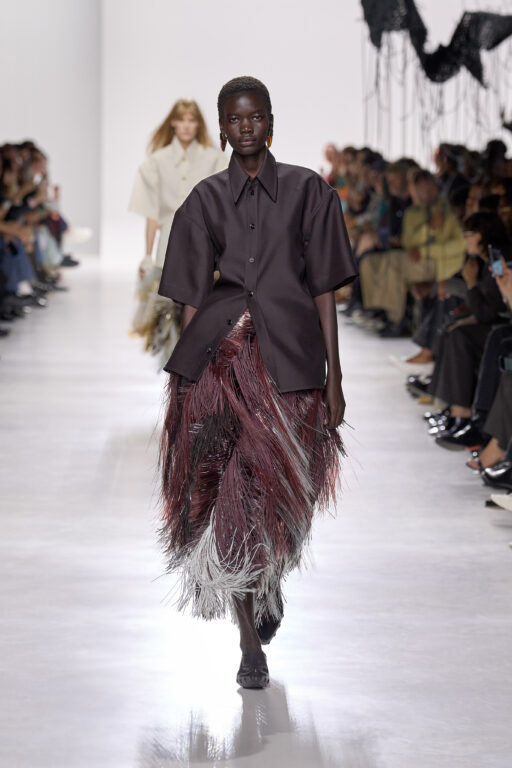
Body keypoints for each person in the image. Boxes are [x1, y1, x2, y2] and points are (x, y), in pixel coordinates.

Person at [157, 76, 357, 689]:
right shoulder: (204, 199)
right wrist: (190, 379)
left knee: (285, 495)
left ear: (271, 123)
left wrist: (334, 376)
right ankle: (249, 642)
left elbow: (324, 288)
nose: (245, 127)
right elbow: (191, 297)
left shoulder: (309, 191)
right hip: (224, 366)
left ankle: (268, 579)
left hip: (291, 362)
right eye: (234, 119)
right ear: (222, 128)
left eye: (256, 117)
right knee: (231, 500)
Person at [128, 99, 228, 357]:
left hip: (207, 247)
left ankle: (200, 371)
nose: (186, 126)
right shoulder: (156, 162)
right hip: (168, 247)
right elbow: (152, 214)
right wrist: (147, 255)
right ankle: (179, 374)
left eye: (192, 120)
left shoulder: (214, 160)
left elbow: (226, 211)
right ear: (172, 122)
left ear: (199, 124)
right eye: (181, 119)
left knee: (204, 314)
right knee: (170, 318)